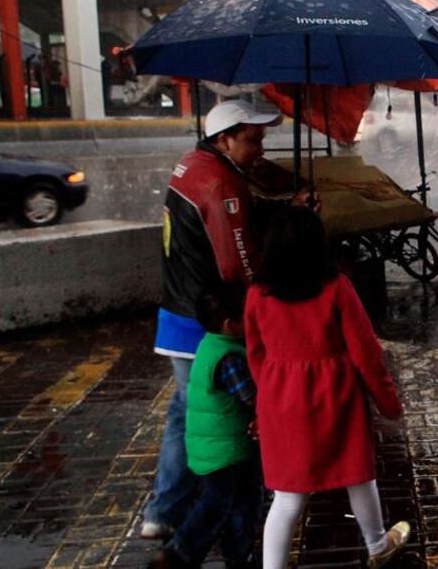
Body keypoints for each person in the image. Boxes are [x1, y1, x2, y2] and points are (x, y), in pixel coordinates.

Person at [141, 99, 300, 540]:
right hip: (205, 323)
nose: (260, 148)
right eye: (252, 140)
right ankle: (215, 513)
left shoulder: (193, 165)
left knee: (184, 413)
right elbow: (238, 264)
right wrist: (266, 303)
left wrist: (282, 208)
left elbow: (233, 219)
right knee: (218, 416)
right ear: (224, 139)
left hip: (177, 314)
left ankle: (165, 509)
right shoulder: (219, 182)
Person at [245, 206, 410, 569]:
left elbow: (254, 352)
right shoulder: (337, 287)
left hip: (280, 398)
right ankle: (377, 544)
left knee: (287, 496)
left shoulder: (257, 293)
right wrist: (388, 402)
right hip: (335, 395)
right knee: (358, 474)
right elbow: (366, 353)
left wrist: (270, 394)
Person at [149, 283, 262, 569]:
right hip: (230, 450)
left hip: (209, 448)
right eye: (247, 316)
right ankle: (200, 553)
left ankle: (185, 553)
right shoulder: (230, 359)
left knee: (220, 502)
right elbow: (251, 397)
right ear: (230, 324)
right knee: (238, 503)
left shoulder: (209, 346)